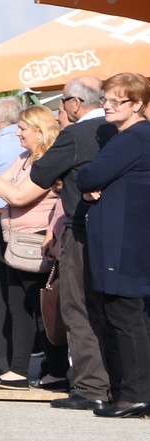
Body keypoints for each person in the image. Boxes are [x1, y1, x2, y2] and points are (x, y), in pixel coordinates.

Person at [27, 77, 115, 410]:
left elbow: (39, 174)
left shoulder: (77, 135)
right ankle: (118, 380)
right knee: (118, 309)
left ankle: (91, 385)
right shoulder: (123, 132)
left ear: (75, 103)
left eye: (62, 103)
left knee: (78, 306)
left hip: (81, 230)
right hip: (120, 231)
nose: (61, 110)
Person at [0, 105, 62, 388]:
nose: (17, 133)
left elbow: (18, 196)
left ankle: (56, 370)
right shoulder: (23, 158)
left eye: (23, 129)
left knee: (42, 309)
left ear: (40, 132)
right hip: (15, 241)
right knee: (17, 304)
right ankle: (18, 371)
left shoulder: (48, 162)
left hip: (37, 241)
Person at [75, 73, 150, 417]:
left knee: (125, 316)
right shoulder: (133, 137)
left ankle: (133, 394)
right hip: (129, 237)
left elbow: (87, 176)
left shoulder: (132, 138)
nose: (106, 105)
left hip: (123, 241)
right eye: (105, 98)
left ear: (137, 105)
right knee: (127, 315)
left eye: (115, 101)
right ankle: (130, 392)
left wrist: (91, 182)